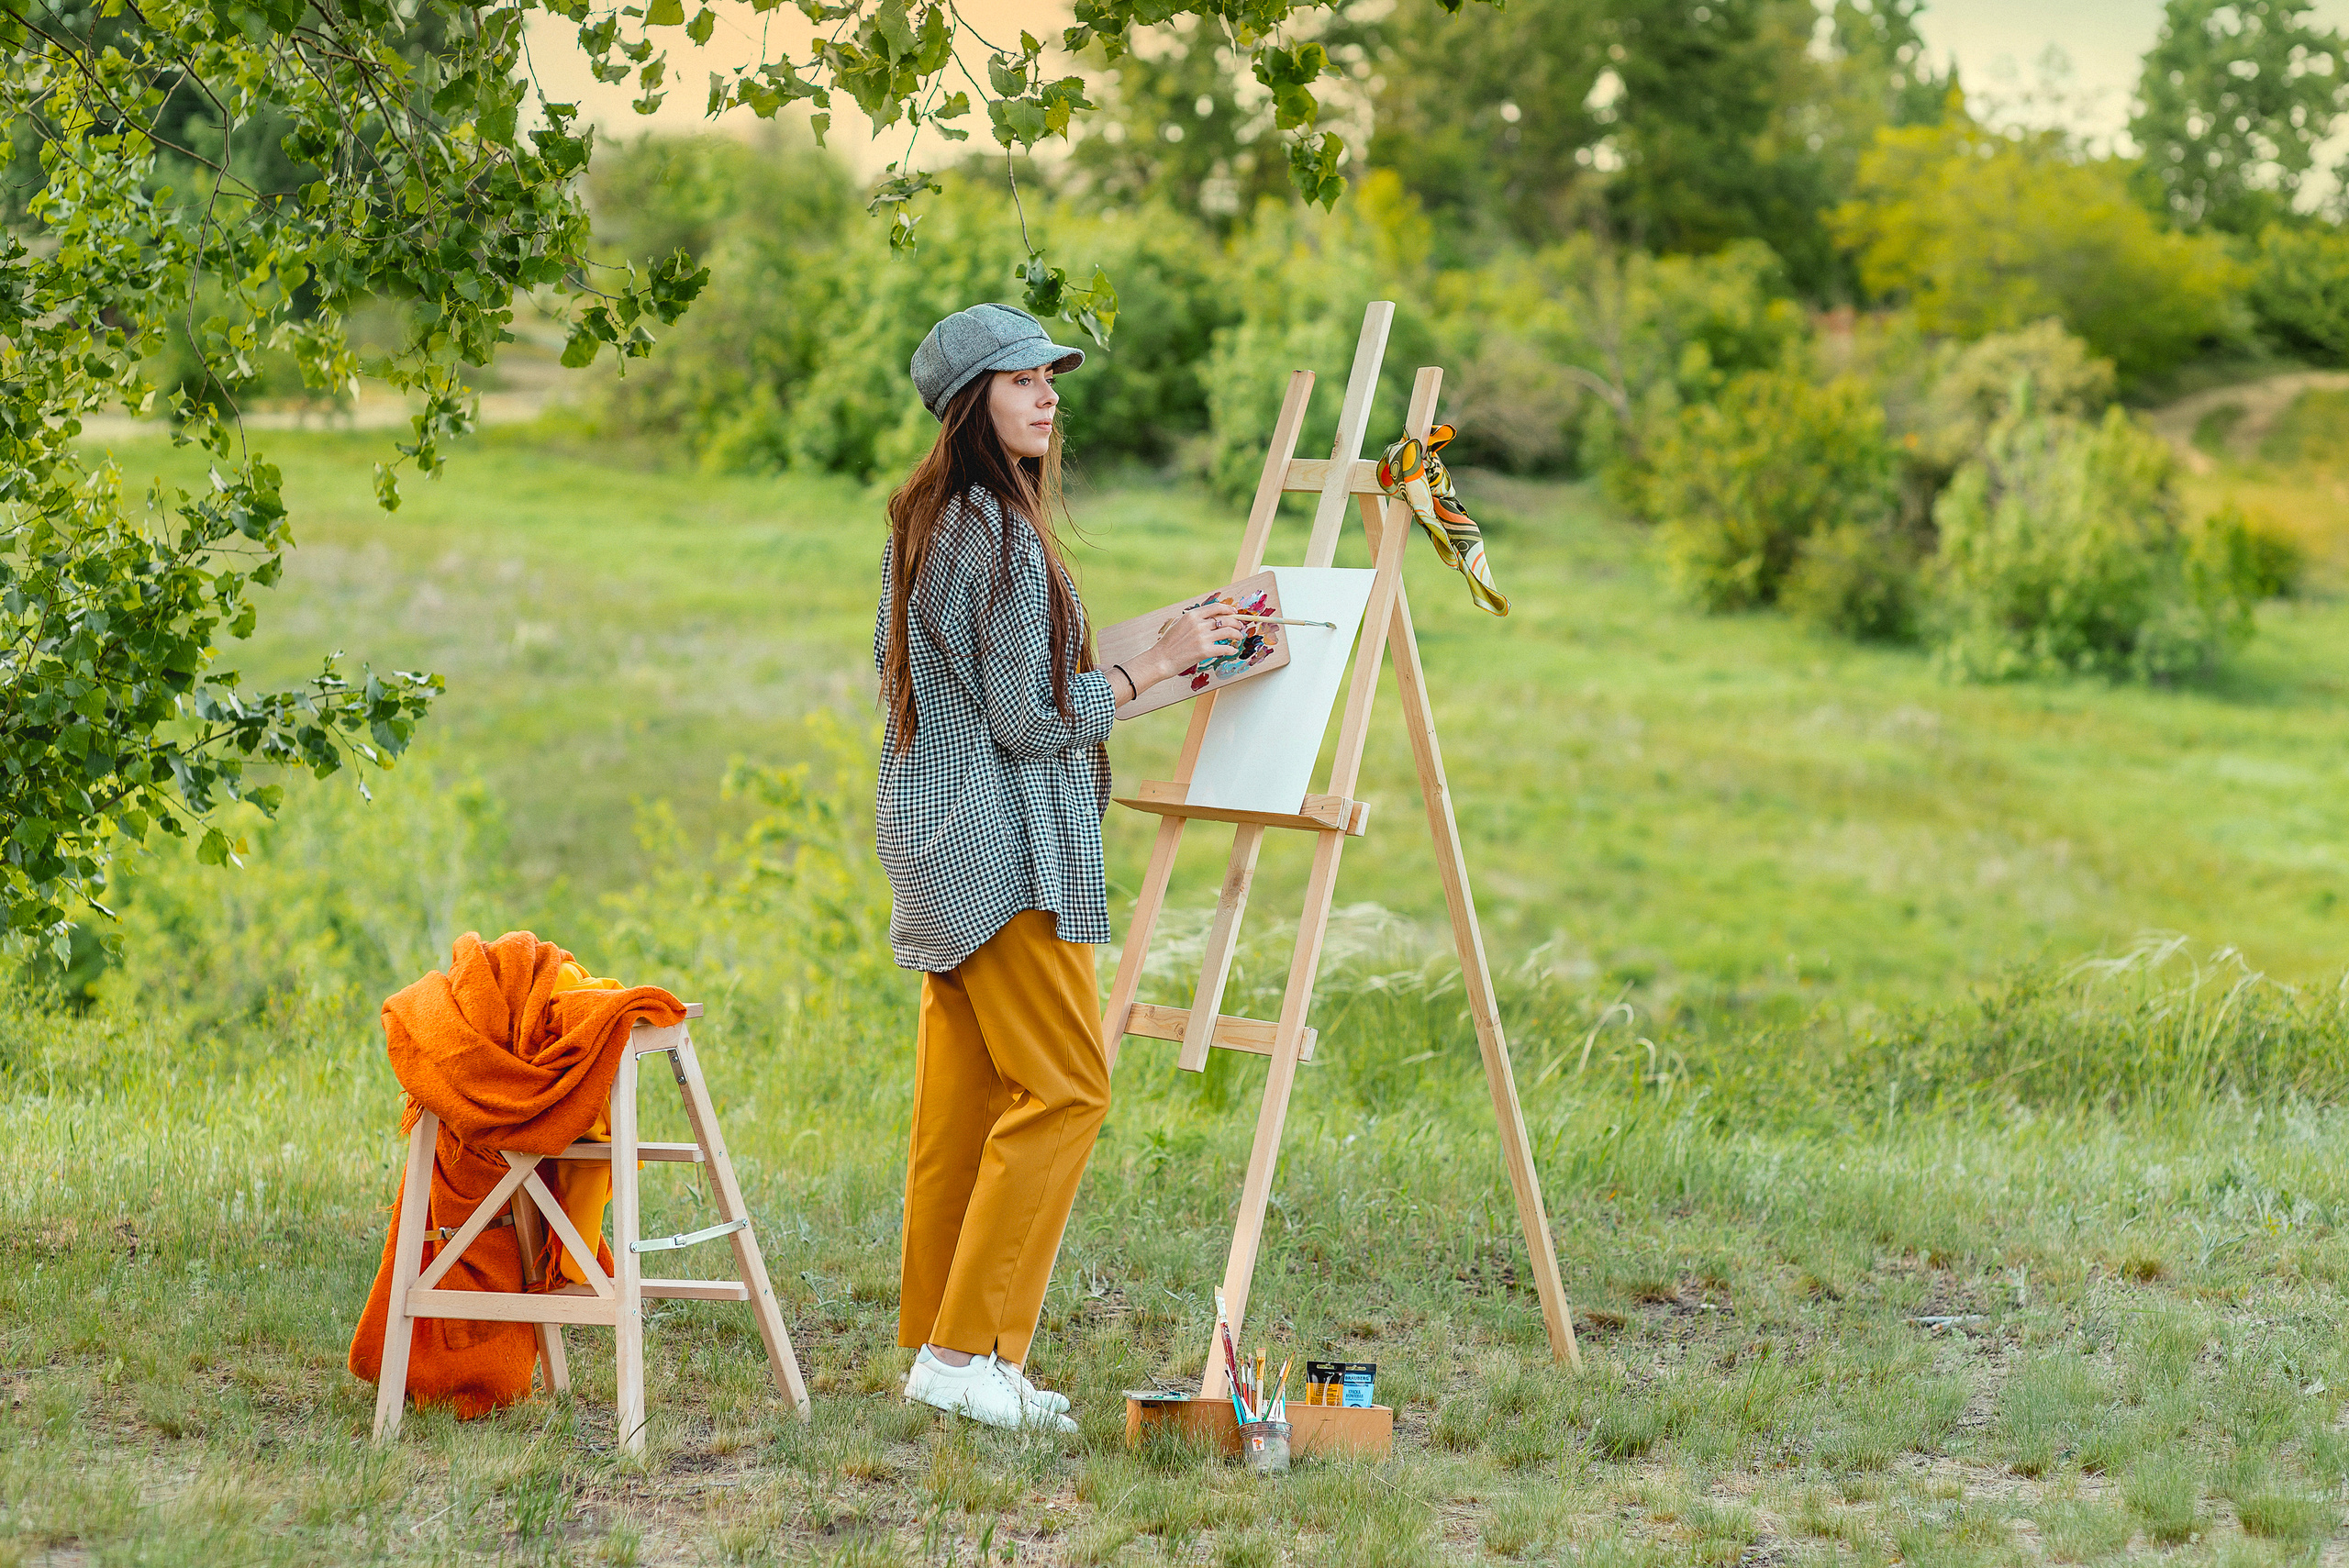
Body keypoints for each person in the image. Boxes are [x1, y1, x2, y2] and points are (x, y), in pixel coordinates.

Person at [874, 303, 1232, 1432]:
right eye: (1023, 379)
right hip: (1001, 857)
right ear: (970, 403)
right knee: (1071, 1085)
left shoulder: (930, 519)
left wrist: (1144, 652)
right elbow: (1029, 722)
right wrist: (1152, 670)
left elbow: (986, 691)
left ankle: (937, 1351)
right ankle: (970, 1347)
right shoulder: (1003, 531)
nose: (1048, 395)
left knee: (966, 1109)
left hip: (936, 845)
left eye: (1050, 376)